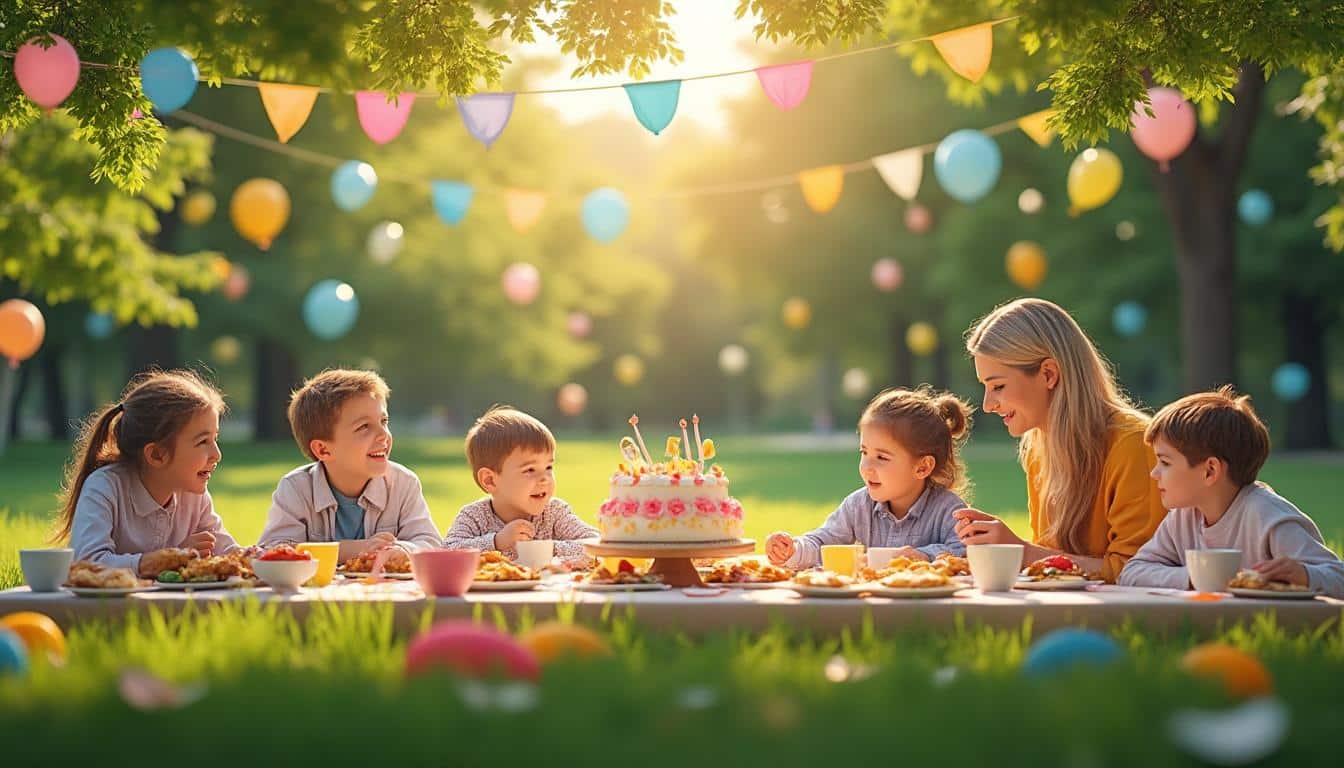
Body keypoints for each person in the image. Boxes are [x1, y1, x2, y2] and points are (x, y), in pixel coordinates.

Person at [954, 298, 1166, 582]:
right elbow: (1053, 565)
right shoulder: (1037, 447)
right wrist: (1005, 551)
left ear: (1048, 374)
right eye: (986, 387)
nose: (988, 405)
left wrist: (1022, 552)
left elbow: (1135, 571)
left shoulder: (1134, 444)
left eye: (998, 386)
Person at [1118, 386, 1344, 596]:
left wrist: (1305, 575)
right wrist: (1197, 578)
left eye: (1165, 462)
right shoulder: (1183, 517)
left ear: (1210, 471)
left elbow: (1339, 578)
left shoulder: (1268, 517)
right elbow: (1132, 572)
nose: (1154, 473)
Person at [57, 369, 238, 577]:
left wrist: (267, 558)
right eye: (202, 442)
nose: (217, 454)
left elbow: (230, 553)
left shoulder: (194, 497)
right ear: (157, 455)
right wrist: (170, 559)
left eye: (215, 439)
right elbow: (86, 562)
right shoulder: (105, 488)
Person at [767, 386, 972, 568]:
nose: (866, 467)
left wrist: (925, 556)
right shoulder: (858, 506)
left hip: (929, 608)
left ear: (922, 467)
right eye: (864, 452)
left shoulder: (949, 511)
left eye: (881, 457)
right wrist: (793, 548)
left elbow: (967, 551)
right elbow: (824, 541)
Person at [258, 369, 441, 564]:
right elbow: (273, 551)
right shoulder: (296, 489)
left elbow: (430, 542)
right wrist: (351, 550)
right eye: (364, 427)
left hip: (382, 591)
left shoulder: (403, 483)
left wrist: (403, 550)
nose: (383, 435)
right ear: (323, 450)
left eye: (383, 421)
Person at [443, 406, 597, 562]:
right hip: (493, 586)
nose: (544, 478)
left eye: (548, 467)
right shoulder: (475, 517)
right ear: (490, 480)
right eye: (530, 470)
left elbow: (596, 545)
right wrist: (496, 541)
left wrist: (548, 548)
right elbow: (446, 553)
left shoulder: (554, 513)